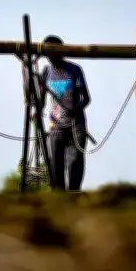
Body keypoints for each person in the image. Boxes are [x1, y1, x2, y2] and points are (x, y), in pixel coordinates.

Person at [33, 35, 92, 191]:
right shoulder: (46, 72)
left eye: (52, 52)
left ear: (61, 52)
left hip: (76, 126)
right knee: (55, 166)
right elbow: (41, 101)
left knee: (74, 164)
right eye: (46, 53)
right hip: (56, 126)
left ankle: (73, 195)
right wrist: (37, 111)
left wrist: (76, 109)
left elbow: (86, 98)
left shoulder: (74, 70)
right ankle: (59, 198)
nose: (49, 56)